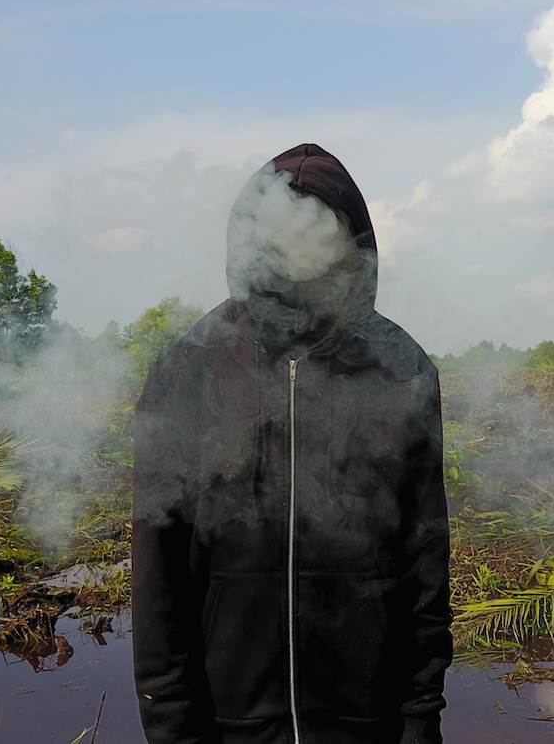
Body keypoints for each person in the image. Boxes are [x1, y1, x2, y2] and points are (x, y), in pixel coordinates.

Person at [132, 144, 452, 744]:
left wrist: (419, 720)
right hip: (228, 727)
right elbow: (158, 582)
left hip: (369, 726)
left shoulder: (401, 371)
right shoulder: (187, 373)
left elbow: (426, 568)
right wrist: (173, 730)